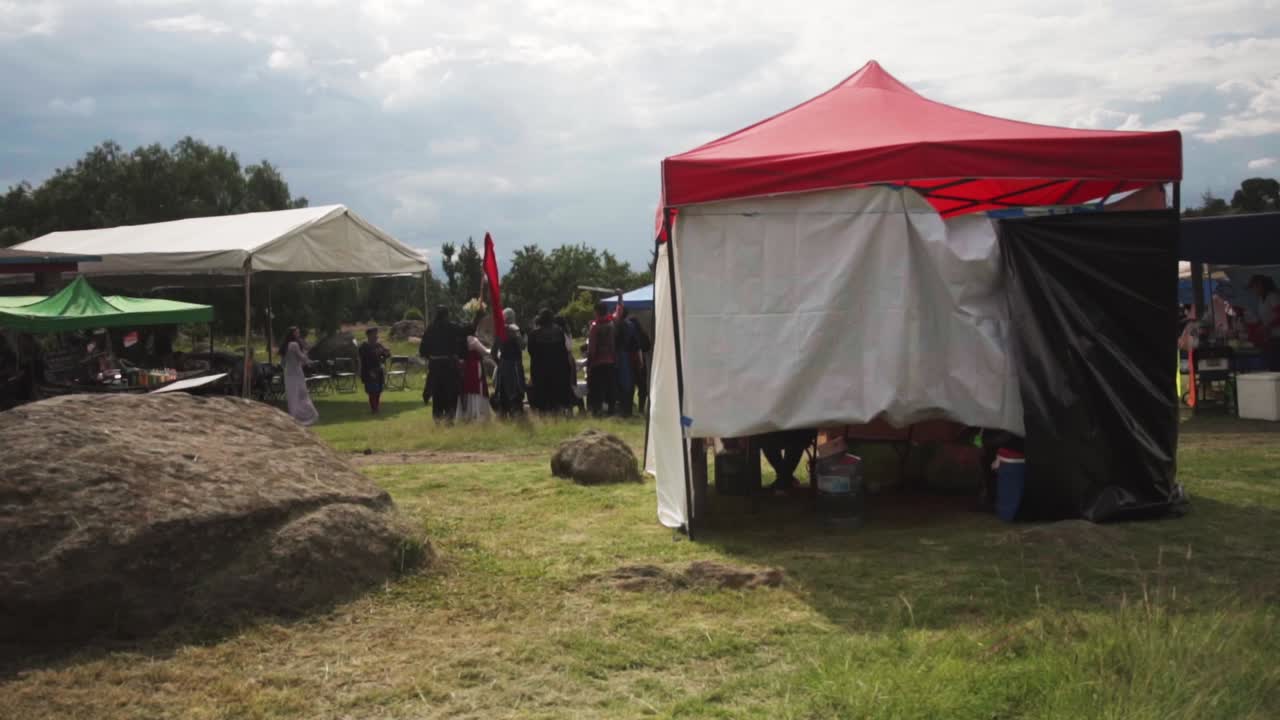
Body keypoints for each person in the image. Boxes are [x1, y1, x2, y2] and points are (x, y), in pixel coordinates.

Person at [420, 307, 466, 423]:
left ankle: (438, 419)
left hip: (435, 368)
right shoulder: (451, 327)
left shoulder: (430, 329)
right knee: (451, 393)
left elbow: (422, 351)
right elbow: (466, 331)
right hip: (449, 367)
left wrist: (432, 358)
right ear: (446, 315)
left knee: (437, 395)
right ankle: (449, 420)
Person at [528, 308, 572, 414]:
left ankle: (544, 413)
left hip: (540, 369)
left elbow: (531, 352)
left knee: (543, 395)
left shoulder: (534, 334)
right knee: (556, 394)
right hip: (557, 368)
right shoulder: (559, 332)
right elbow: (563, 351)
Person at [586, 290, 623, 416]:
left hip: (597, 361)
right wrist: (620, 296)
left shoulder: (595, 327)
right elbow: (619, 312)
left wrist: (589, 361)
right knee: (610, 385)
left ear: (596, 312)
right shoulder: (611, 322)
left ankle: (597, 410)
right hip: (611, 360)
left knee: (597, 387)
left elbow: (592, 348)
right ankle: (611, 409)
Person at [615, 308, 651, 418]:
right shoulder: (640, 333)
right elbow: (646, 346)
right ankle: (640, 408)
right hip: (639, 361)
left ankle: (627, 409)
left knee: (628, 386)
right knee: (641, 386)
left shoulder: (627, 329)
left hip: (631, 361)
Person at [491, 308, 527, 416]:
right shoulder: (508, 332)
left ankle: (509, 412)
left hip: (507, 364)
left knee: (508, 390)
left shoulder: (502, 332)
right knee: (512, 390)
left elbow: (493, 352)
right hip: (512, 364)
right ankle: (512, 412)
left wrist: (499, 363)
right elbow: (523, 346)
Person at [758, 428, 817, 493]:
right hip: (798, 433)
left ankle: (783, 478)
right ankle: (785, 477)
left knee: (765, 439)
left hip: (797, 432)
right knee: (765, 438)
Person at [281, 326, 319, 426]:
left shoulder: (287, 345)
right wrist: (309, 360)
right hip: (296, 372)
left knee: (293, 394)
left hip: (289, 372)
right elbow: (301, 357)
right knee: (301, 394)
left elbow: (284, 362)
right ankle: (306, 416)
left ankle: (296, 415)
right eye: (297, 333)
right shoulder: (293, 344)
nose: (299, 335)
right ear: (293, 334)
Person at [456, 320, 492, 422]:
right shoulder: (473, 340)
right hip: (475, 366)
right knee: (476, 388)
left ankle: (466, 412)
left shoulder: (460, 340)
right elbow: (484, 351)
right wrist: (493, 350)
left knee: (466, 388)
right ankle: (477, 412)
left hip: (464, 367)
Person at [1245, 275, 1280, 371]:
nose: (1254, 290)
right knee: (1272, 366)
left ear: (1260, 286)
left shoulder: (1272, 296)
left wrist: (1268, 326)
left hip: (1277, 337)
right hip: (1270, 338)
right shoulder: (1261, 299)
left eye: (1254, 287)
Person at [357, 327, 391, 414]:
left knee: (379, 390)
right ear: (369, 335)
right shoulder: (364, 346)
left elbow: (386, 355)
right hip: (369, 371)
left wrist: (386, 352)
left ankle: (376, 407)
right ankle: (374, 408)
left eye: (376, 334)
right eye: (374, 334)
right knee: (372, 391)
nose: (376, 336)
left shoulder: (378, 345)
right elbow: (360, 359)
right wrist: (360, 371)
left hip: (378, 370)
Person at [555, 316, 582, 414]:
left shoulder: (560, 333)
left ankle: (572, 406)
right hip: (570, 357)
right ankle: (572, 408)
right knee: (571, 383)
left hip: (564, 358)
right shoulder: (568, 332)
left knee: (567, 384)